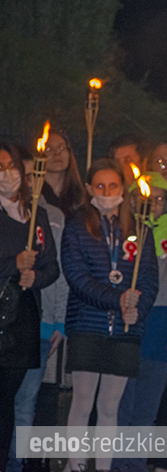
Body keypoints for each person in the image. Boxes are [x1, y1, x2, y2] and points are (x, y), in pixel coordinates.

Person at [61, 158, 158, 472]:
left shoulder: (139, 229)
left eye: (113, 185)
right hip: (87, 323)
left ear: (123, 189)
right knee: (82, 401)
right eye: (100, 186)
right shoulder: (77, 225)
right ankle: (76, 464)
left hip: (125, 330)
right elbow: (77, 276)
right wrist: (118, 299)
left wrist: (136, 310)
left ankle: (103, 467)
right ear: (89, 188)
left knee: (109, 406)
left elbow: (149, 278)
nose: (106, 192)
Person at [5, 149, 69, 472]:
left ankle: (15, 464)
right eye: (23, 174)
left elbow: (54, 268)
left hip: (33, 322)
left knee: (23, 402)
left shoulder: (44, 216)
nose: (27, 180)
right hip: (4, 321)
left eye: (33, 174)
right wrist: (13, 265)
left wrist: (38, 278)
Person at [115, 171, 167, 472]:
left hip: (161, 321)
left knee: (147, 404)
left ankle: (136, 464)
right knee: (121, 402)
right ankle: (116, 464)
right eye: (145, 198)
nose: (152, 204)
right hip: (129, 319)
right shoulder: (122, 232)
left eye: (159, 199)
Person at [41, 129, 85, 216]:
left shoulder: (80, 197)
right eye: (48, 149)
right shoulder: (34, 195)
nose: (57, 153)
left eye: (61, 148)